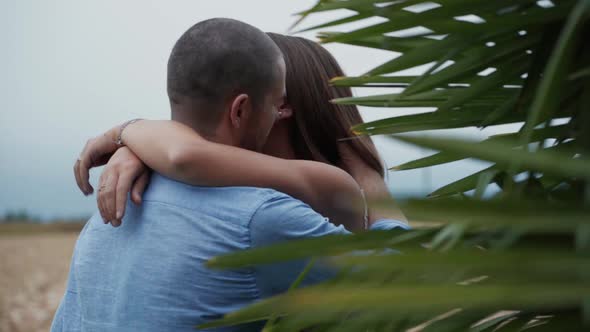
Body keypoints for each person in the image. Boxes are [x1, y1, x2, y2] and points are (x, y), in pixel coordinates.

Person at [54, 20, 408, 332]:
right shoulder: (262, 219)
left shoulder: (107, 214)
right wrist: (365, 165)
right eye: (275, 102)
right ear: (243, 109)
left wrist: (132, 135)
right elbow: (411, 277)